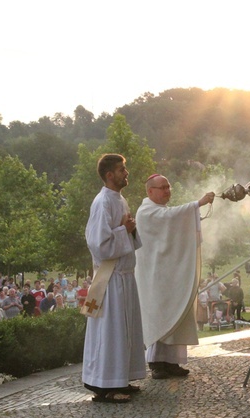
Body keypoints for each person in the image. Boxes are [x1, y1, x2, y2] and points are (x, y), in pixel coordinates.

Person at [135, 174, 215, 380]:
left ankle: (172, 362)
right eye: (162, 187)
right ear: (150, 191)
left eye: (168, 186)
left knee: (176, 314)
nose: (167, 191)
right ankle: (156, 363)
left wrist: (195, 209)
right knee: (161, 316)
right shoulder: (145, 212)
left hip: (170, 275)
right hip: (155, 278)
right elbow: (170, 218)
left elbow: (172, 218)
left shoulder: (162, 211)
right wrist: (198, 203)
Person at [81, 153, 146, 403]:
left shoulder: (120, 199)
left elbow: (127, 232)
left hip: (124, 277)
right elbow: (98, 244)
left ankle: (121, 378)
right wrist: (125, 230)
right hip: (110, 279)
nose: (126, 173)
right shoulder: (102, 202)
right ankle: (104, 386)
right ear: (110, 175)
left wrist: (129, 228)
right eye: (122, 169)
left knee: (125, 331)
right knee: (110, 333)